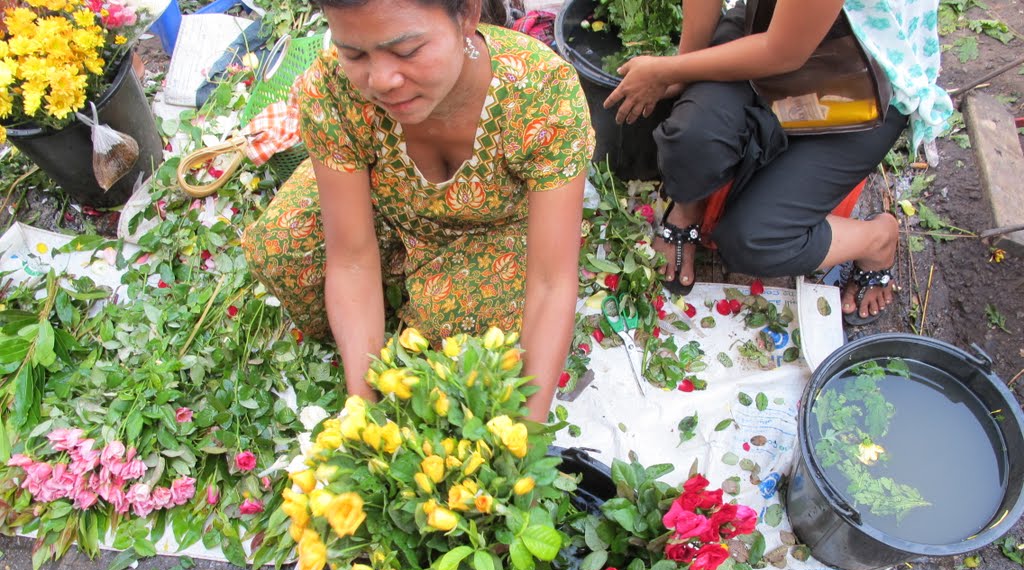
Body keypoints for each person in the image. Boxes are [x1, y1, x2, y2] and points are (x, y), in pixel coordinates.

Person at [243, 0, 594, 421]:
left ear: (466, 15)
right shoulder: (334, 85)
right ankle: (383, 306)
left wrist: (524, 437)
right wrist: (363, 409)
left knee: (463, 340)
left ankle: (412, 294)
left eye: (407, 51)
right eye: (354, 53)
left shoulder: (541, 91)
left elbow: (551, 280)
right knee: (282, 246)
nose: (382, 80)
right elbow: (351, 258)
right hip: (387, 202)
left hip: (490, 226)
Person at [603, 0, 952, 325]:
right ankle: (687, 211)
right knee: (691, 138)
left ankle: (877, 239)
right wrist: (683, 71)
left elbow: (783, 51)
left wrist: (664, 69)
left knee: (753, 241)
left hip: (861, 83)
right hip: (764, 27)